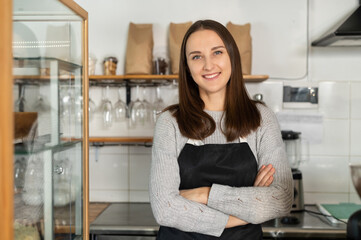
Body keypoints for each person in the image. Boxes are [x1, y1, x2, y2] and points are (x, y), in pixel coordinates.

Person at [149, 19, 293, 240]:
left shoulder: (261, 118)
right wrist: (247, 210)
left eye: (217, 52)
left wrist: (204, 194)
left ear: (232, 57)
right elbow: (164, 208)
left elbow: (281, 199)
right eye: (196, 56)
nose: (208, 65)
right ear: (187, 68)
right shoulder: (170, 122)